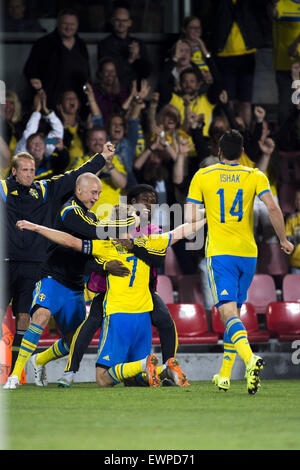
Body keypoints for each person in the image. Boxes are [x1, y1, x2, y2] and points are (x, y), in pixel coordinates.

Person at [5, 204, 205, 389]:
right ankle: (163, 368)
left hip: (118, 317)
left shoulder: (105, 246)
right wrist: (209, 218)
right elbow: (181, 231)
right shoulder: (149, 242)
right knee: (133, 380)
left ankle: (144, 363)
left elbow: (70, 241)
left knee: (102, 378)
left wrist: (37, 227)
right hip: (143, 317)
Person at [185, 129, 294, 394]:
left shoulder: (203, 175)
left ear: (219, 151)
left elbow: (189, 219)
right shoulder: (255, 175)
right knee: (232, 314)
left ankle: (250, 359)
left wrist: (207, 212)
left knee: (227, 313)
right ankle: (224, 375)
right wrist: (283, 240)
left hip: (220, 253)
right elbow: (273, 208)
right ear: (243, 151)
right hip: (247, 253)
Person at [0, 142, 112, 374]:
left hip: (34, 264)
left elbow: (75, 177)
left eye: (32, 170)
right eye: (24, 170)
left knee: (24, 318)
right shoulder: (2, 190)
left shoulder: (44, 190)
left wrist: (101, 158)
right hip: (5, 263)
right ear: (14, 171)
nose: (29, 174)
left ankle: (15, 373)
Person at [55, 184, 179, 388]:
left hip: (141, 291)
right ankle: (70, 372)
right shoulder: (108, 227)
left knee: (165, 321)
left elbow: (159, 260)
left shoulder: (154, 231)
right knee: (90, 323)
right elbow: (86, 263)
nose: (151, 205)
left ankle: (168, 369)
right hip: (109, 289)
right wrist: (106, 266)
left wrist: (134, 247)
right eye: (146, 200)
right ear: (132, 203)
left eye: (154, 201)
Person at [210, 0, 264, 127]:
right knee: (227, 100)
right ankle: (227, 136)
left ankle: (246, 137)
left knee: (245, 101)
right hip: (224, 54)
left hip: (247, 54)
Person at [23, 8, 90, 110]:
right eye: (65, 24)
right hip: (50, 103)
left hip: (76, 106)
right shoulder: (43, 44)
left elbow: (87, 74)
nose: (69, 27)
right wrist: (39, 91)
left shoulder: (81, 45)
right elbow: (30, 72)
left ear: (77, 25)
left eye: (72, 24)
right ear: (58, 24)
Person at [97, 3, 152, 89]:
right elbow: (108, 74)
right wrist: (130, 60)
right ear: (112, 22)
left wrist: (137, 57)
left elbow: (147, 73)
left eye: (124, 21)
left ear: (129, 23)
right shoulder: (104, 45)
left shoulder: (139, 44)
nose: (121, 24)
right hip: (113, 91)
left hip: (135, 90)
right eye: (118, 20)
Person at [269, 0, 300, 125]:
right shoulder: (282, 3)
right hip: (286, 66)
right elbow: (272, 13)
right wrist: (272, 4)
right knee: (286, 108)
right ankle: (285, 140)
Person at [15, 90, 64, 159]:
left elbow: (58, 131)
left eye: (40, 142)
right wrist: (37, 110)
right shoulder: (22, 151)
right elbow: (28, 135)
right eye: (34, 143)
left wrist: (46, 110)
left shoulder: (44, 143)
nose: (37, 146)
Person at [285, 189, 300, 274]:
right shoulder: (291, 218)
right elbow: (288, 239)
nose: (298, 202)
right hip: (295, 263)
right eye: (297, 199)